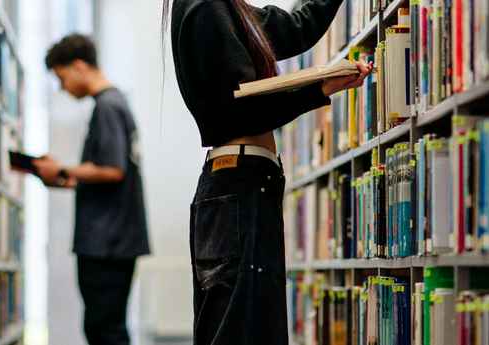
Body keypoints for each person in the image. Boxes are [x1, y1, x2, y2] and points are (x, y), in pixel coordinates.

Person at [164, 0, 373, 344]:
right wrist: (319, 89)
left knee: (253, 325)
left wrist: (324, 84)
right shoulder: (205, 7)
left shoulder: (226, 8)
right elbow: (241, 111)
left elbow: (295, 28)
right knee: (242, 328)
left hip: (245, 182)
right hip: (238, 183)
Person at [35, 33, 150, 345]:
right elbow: (109, 172)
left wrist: (60, 168)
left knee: (104, 329)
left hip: (106, 241)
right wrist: (65, 178)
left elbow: (113, 170)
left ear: (79, 66)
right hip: (115, 237)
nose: (62, 87)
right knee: (107, 325)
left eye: (61, 78)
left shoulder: (108, 106)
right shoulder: (116, 103)